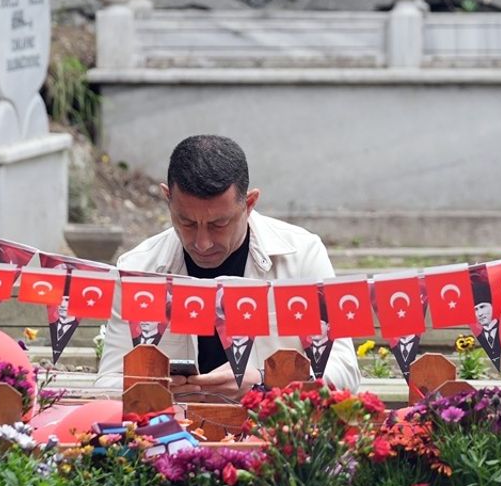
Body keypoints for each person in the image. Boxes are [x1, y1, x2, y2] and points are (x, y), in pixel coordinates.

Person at [96, 135, 359, 398]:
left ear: (250, 204)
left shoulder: (301, 255)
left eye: (218, 224)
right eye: (186, 222)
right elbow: (107, 384)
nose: (202, 242)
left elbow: (344, 371)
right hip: (171, 432)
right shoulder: (139, 269)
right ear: (167, 198)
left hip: (273, 430)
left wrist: (268, 384)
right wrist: (153, 387)